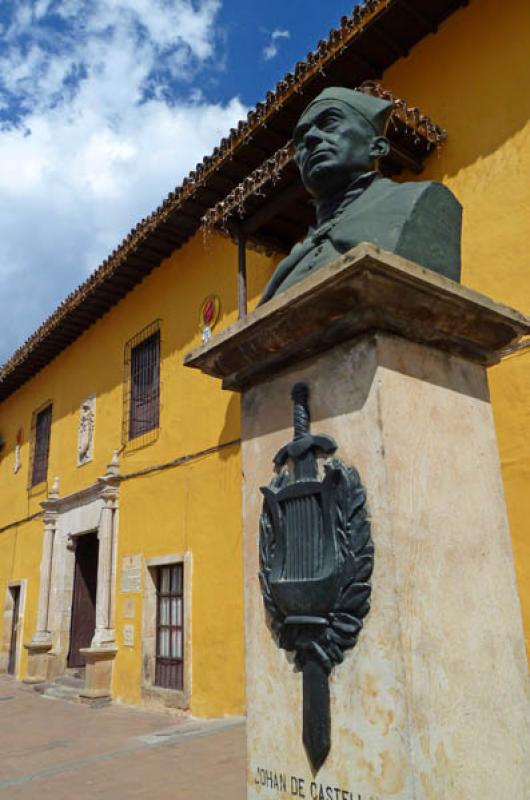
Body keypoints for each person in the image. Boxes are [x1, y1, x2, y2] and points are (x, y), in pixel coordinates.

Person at [259, 87, 462, 305]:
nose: (310, 138)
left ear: (377, 147)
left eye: (329, 123)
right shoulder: (291, 264)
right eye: (300, 139)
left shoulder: (419, 203)